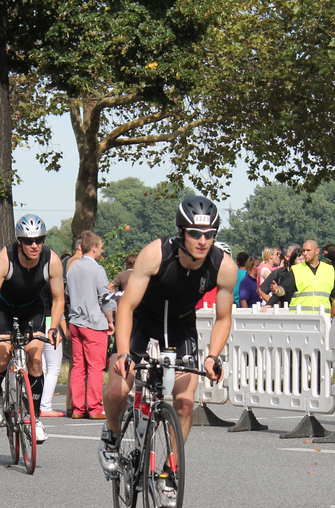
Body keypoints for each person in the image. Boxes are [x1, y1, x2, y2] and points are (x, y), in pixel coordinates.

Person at [99, 195, 236, 477]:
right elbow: (126, 305)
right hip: (142, 322)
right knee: (118, 389)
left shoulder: (223, 266)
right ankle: (111, 437)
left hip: (181, 327)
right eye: (195, 234)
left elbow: (224, 318)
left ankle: (168, 472)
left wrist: (212, 357)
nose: (202, 241)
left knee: (185, 404)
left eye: (209, 235)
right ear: (181, 232)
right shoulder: (156, 254)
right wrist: (123, 353)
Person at [0, 214, 65, 445]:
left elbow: (58, 299)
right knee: (1, 354)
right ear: (20, 242)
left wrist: (54, 327)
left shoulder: (51, 260)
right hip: (3, 307)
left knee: (36, 358)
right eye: (28, 241)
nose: (34, 245)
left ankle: (35, 419)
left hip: (33, 308)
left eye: (39, 240)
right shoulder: (5, 258)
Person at [66, 231, 114, 419]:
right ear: (94, 248)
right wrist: (110, 320)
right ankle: (94, 409)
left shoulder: (72, 269)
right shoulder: (97, 270)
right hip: (94, 323)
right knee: (95, 367)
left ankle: (78, 409)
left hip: (75, 322)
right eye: (101, 247)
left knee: (78, 366)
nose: (101, 250)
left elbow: (68, 295)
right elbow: (105, 298)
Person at [282, 239, 335, 312]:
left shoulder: (329, 269)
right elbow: (283, 289)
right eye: (303, 250)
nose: (305, 253)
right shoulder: (296, 270)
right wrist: (277, 290)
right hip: (301, 318)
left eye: (308, 250)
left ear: (317, 251)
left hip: (322, 318)